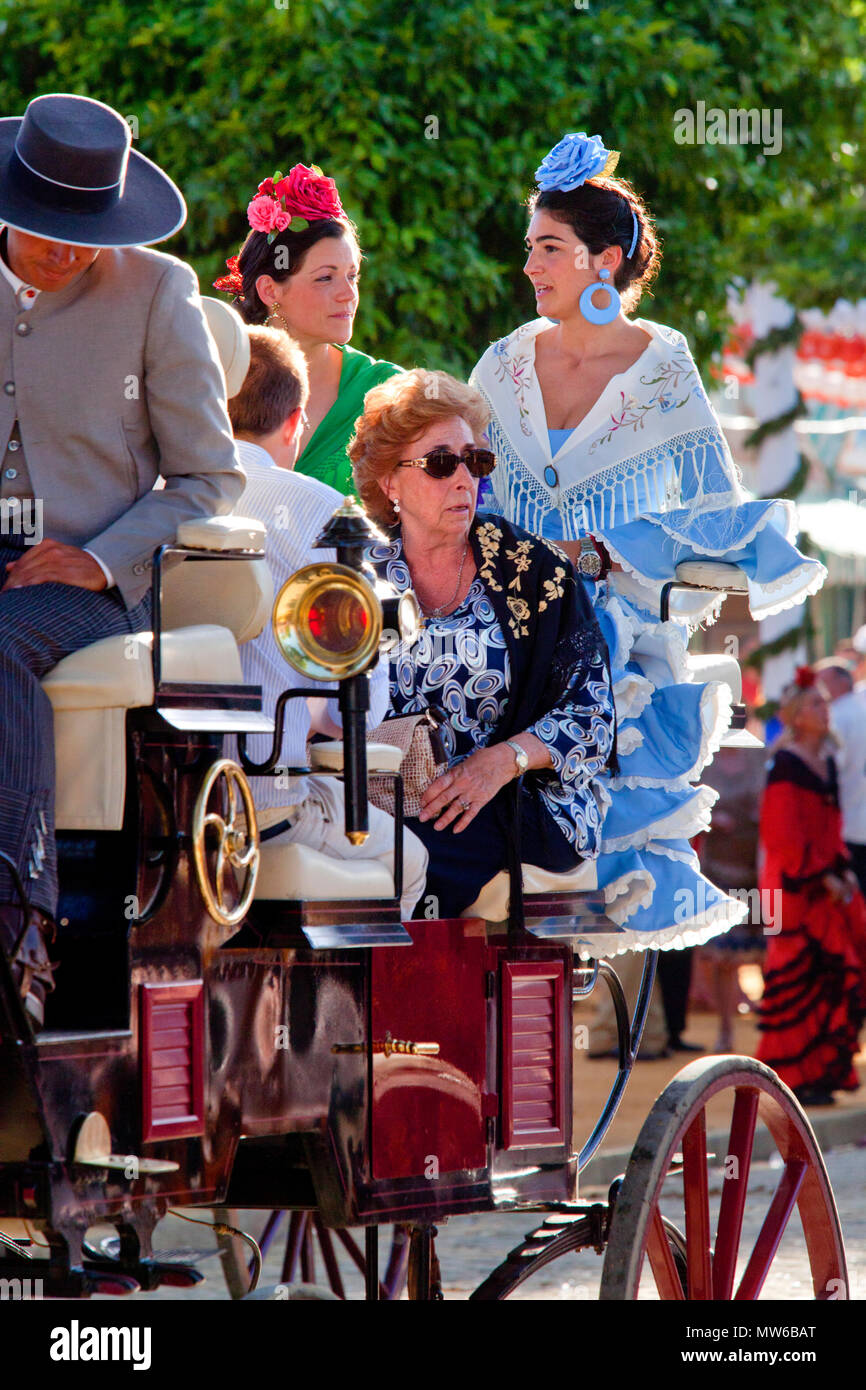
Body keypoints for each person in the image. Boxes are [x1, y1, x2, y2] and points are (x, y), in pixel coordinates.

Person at [470, 130, 826, 960]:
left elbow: (714, 510)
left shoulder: (663, 362)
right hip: (499, 623)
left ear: (606, 260)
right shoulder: (500, 362)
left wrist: (606, 553)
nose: (530, 267)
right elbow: (465, 487)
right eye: (530, 249)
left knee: (594, 826)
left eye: (549, 249)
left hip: (617, 643)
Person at [0, 94, 245, 1025]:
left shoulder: (156, 292)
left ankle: (20, 924)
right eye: (44, 231)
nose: (67, 250)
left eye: (83, 232)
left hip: (97, 585)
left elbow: (207, 478)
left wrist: (99, 560)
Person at [349, 368, 616, 921]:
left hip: (520, 799)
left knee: (411, 851)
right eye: (441, 462)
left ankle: (417, 991)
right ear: (389, 483)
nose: (464, 479)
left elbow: (593, 717)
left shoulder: (533, 570)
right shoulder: (354, 577)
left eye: (476, 462)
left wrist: (501, 761)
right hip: (386, 797)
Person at [224, 323, 427, 919]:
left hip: (164, 795)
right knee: (409, 864)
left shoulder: (157, 494)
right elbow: (354, 709)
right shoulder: (320, 509)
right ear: (296, 422)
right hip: (264, 801)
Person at [215, 164, 402, 494]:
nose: (348, 294)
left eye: (352, 275)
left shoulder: (387, 391)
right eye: (325, 278)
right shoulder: (216, 377)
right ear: (271, 291)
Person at [756, 667, 866, 1105]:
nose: (826, 710)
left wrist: (842, 870)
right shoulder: (785, 764)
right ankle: (792, 1077)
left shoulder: (829, 761)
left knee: (831, 975)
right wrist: (822, 875)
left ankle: (821, 1073)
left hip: (824, 881)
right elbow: (782, 834)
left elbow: (830, 827)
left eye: (825, 702)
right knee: (796, 972)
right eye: (816, 704)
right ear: (797, 716)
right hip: (792, 886)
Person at [814, 657, 866, 897]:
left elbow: (829, 768)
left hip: (850, 826)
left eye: (821, 682)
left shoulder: (837, 716)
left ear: (838, 683)